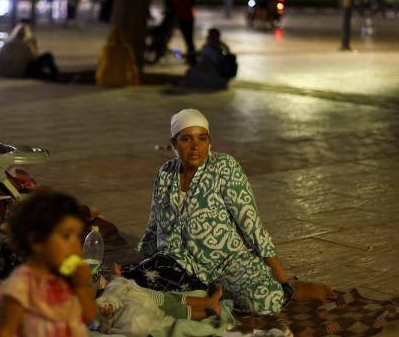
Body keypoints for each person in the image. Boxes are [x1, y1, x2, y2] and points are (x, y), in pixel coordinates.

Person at [123, 109, 334, 316]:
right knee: (134, 284)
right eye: (186, 139)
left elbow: (250, 222)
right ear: (174, 144)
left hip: (228, 262)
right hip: (181, 263)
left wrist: (282, 278)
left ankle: (290, 289)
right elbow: (154, 221)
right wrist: (147, 265)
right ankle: (208, 298)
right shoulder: (165, 174)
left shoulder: (224, 167)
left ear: (209, 142)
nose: (196, 146)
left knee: (262, 302)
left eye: (202, 139)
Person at [0, 190, 97, 337]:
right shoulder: (21, 285)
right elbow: (5, 333)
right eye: (66, 236)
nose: (76, 245)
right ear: (37, 241)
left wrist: (82, 286)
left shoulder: (69, 279)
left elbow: (90, 316)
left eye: (78, 236)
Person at [95, 263, 224, 337]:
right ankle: (208, 312)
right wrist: (108, 316)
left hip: (147, 295)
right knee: (175, 310)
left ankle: (209, 302)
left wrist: (116, 276)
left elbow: (118, 284)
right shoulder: (99, 302)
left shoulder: (108, 286)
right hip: (146, 305)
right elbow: (105, 326)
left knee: (174, 299)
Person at [165, 0, 197, 64]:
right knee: (188, 37)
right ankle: (191, 57)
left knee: (167, 33)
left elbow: (168, 1)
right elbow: (192, 2)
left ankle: (161, 51)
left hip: (176, 14)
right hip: (186, 15)